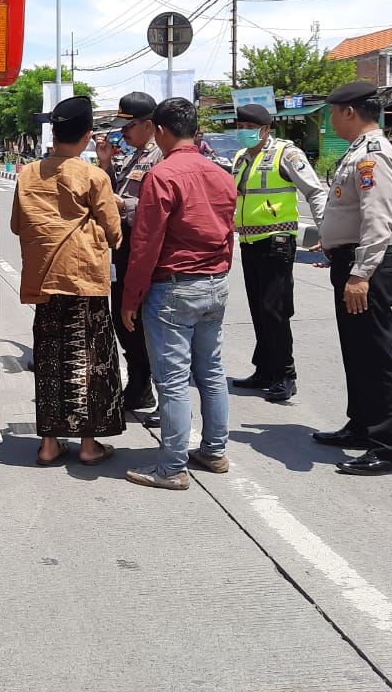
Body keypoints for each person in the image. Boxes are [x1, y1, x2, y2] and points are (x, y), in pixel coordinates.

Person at [120, 97, 237, 491]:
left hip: (173, 288)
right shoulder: (221, 174)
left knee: (171, 381)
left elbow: (146, 245)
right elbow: (228, 234)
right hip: (214, 282)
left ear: (160, 131)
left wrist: (131, 297)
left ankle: (172, 467)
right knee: (211, 372)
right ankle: (214, 451)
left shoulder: (162, 176)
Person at [11, 96, 125, 467]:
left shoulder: (28, 174)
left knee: (48, 359)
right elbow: (114, 232)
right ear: (87, 136)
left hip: (43, 280)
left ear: (54, 135)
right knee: (88, 357)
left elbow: (17, 225)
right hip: (83, 279)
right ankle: (89, 445)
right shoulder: (94, 176)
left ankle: (49, 444)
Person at [310, 81, 392, 476]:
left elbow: (378, 220)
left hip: (367, 268)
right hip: (350, 263)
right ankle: (362, 427)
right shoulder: (357, 151)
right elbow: (352, 212)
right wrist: (333, 243)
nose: (331, 119)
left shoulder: (373, 155)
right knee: (357, 353)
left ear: (349, 111)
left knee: (376, 356)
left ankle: (390, 448)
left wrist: (361, 273)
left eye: (333, 112)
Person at [230, 103, 327, 402]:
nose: (244, 133)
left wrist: (326, 231)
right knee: (258, 309)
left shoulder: (286, 154)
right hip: (249, 241)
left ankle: (286, 374)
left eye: (250, 128)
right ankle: (264, 370)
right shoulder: (241, 157)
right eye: (240, 128)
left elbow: (315, 191)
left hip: (276, 240)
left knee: (275, 310)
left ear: (265, 129)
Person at [95, 91, 161, 426]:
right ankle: (139, 383)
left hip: (146, 245)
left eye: (129, 126)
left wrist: (124, 205)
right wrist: (105, 163)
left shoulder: (160, 156)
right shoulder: (132, 156)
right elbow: (113, 190)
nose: (123, 133)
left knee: (147, 320)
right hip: (123, 244)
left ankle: (160, 389)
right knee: (123, 315)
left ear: (148, 125)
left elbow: (158, 205)